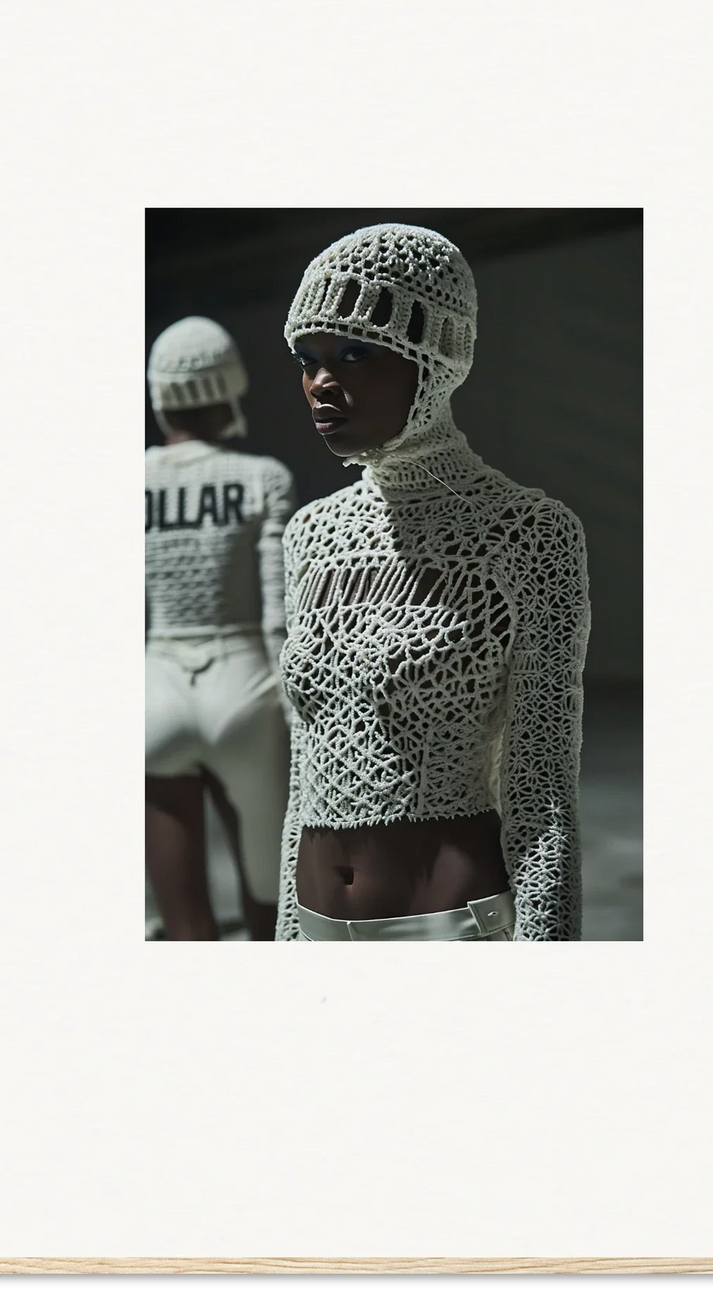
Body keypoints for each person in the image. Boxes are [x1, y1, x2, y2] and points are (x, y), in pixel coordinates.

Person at [276, 225, 591, 942]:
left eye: (356, 352)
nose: (322, 381)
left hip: (448, 921)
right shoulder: (309, 535)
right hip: (316, 918)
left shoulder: (527, 531)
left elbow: (540, 790)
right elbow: (304, 771)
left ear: (434, 360)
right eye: (308, 358)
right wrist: (285, 935)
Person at [145, 316, 295, 941]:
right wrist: (295, 710)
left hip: (155, 689)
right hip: (246, 689)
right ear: (229, 386)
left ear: (160, 396)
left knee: (183, 929)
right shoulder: (264, 477)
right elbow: (278, 613)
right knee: (271, 907)